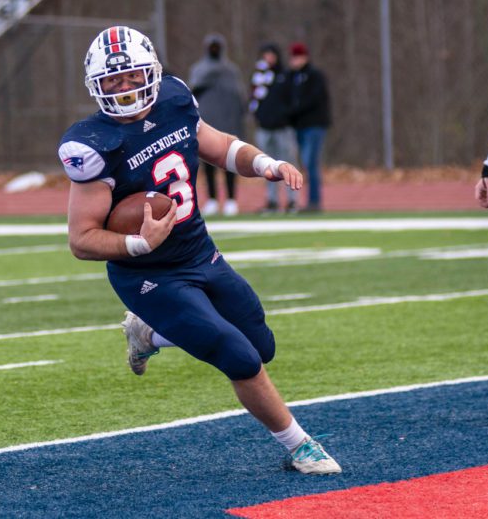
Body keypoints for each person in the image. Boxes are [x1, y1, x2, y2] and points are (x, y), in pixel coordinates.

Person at [59, 26, 341, 475]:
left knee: (260, 344)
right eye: (113, 81)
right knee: (238, 356)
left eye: (132, 76)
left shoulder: (174, 100)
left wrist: (266, 164)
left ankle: (148, 334)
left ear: (151, 72)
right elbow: (81, 239)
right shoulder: (92, 145)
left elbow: (221, 147)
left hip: (198, 251)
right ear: (96, 86)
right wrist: (136, 242)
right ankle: (298, 445)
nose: (125, 88)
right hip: (146, 273)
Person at [188, 33, 246, 216]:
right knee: (208, 164)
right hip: (207, 123)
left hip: (228, 122)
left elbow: (240, 97)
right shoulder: (198, 70)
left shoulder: (231, 71)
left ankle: (231, 200)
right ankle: (212, 199)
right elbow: (191, 93)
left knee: (230, 161)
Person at [250, 43, 298, 214]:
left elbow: (292, 100)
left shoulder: (284, 76)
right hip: (264, 128)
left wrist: (285, 115)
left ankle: (292, 201)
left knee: (288, 164)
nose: (268, 58)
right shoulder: (258, 77)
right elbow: (253, 100)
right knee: (268, 167)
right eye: (265, 55)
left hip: (282, 128)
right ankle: (272, 200)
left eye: (271, 55)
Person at [288, 42, 331, 213]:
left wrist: (294, 110)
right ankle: (308, 201)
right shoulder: (292, 77)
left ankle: (314, 202)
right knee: (305, 164)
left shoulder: (314, 76)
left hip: (314, 125)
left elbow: (313, 100)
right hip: (300, 125)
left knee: (310, 163)